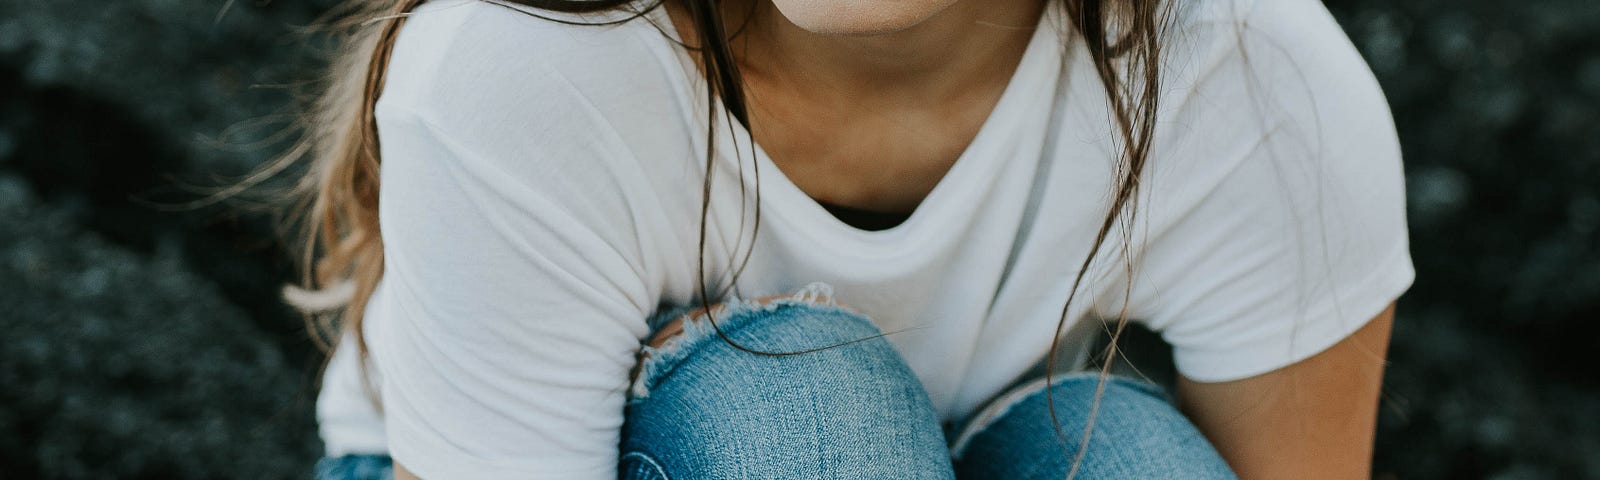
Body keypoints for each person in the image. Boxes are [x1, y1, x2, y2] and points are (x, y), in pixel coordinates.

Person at [281, 0, 1415, 477]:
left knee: (1115, 450)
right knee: (806, 417)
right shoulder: (526, 61)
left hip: (980, 438)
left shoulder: (1258, 84)